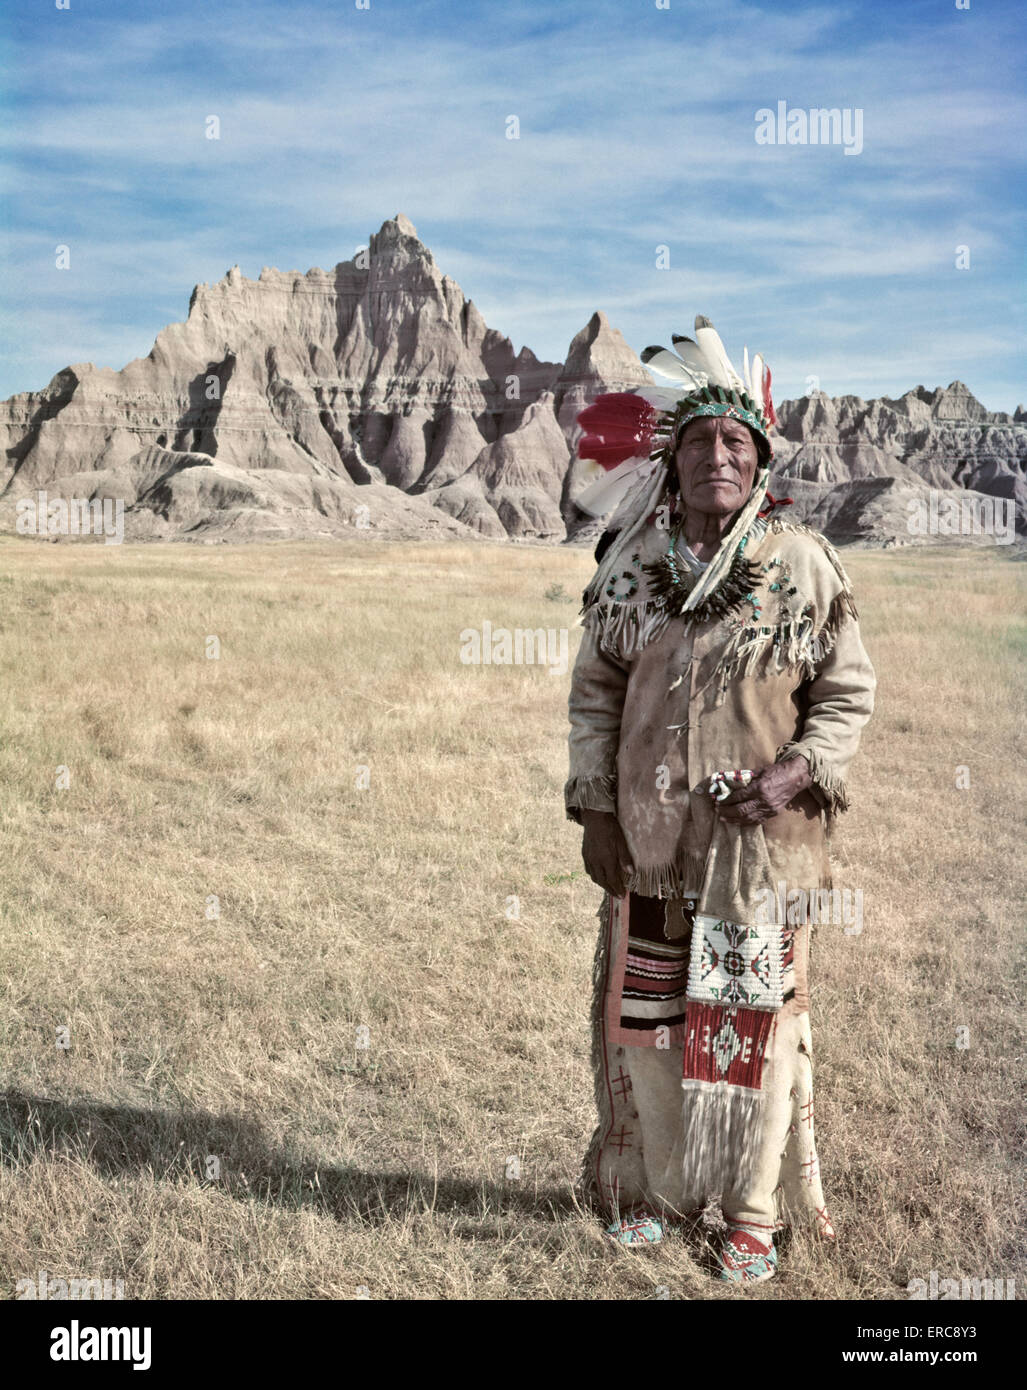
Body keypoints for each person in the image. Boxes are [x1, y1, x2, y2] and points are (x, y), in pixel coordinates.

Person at [565, 316, 876, 1283]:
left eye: (733, 443)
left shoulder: (802, 562)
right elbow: (594, 693)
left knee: (749, 1023)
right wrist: (595, 811)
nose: (714, 456)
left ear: (758, 462)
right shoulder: (630, 563)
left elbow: (846, 691)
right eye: (697, 440)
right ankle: (659, 1194)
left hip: (761, 853)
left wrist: (796, 770)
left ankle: (749, 1215)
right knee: (651, 1028)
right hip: (650, 846)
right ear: (674, 456)